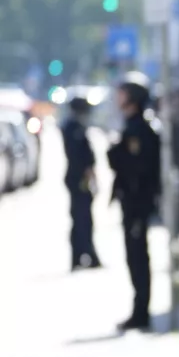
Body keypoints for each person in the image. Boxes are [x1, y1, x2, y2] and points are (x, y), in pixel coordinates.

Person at [107, 72, 161, 331]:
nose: (119, 98)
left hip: (137, 202)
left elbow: (134, 166)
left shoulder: (139, 129)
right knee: (133, 256)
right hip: (132, 201)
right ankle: (139, 310)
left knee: (138, 257)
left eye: (123, 93)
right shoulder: (132, 126)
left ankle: (141, 313)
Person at [61, 97, 102, 270]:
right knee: (81, 217)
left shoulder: (76, 126)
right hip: (78, 179)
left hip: (79, 179)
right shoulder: (73, 128)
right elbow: (81, 157)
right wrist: (90, 176)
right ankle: (83, 254)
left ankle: (84, 254)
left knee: (83, 217)